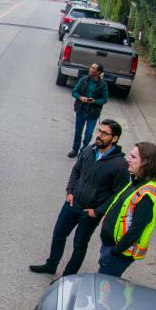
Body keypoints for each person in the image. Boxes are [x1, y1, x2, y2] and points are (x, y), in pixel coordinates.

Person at [30, 119, 127, 277]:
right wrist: (70, 191)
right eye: (99, 131)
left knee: (79, 245)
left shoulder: (120, 165)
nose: (99, 135)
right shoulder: (89, 150)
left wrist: (98, 211)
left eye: (104, 133)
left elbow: (119, 194)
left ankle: (67, 278)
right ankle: (51, 265)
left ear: (114, 138)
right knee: (59, 234)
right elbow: (76, 171)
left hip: (90, 212)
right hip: (72, 203)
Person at [98, 142, 156, 277]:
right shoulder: (136, 182)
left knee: (104, 290)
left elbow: (136, 230)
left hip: (118, 254)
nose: (128, 159)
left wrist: (115, 251)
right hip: (111, 248)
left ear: (145, 162)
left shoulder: (146, 195)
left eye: (133, 157)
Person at [68, 64, 109, 158]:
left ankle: (83, 151)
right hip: (81, 110)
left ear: (98, 72)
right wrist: (80, 97)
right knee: (78, 132)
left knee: (88, 134)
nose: (91, 69)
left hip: (93, 113)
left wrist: (95, 101)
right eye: (91, 67)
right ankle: (75, 150)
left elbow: (104, 99)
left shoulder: (103, 84)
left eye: (94, 69)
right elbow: (74, 91)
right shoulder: (83, 80)